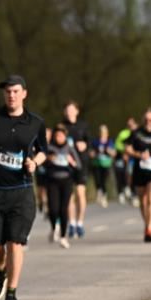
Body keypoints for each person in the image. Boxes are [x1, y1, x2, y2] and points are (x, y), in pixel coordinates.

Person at [0, 75, 47, 300]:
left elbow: (43, 151)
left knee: (15, 243)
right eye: (7, 92)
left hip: (21, 192)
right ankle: (2, 270)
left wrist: (35, 162)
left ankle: (12, 292)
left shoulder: (35, 122)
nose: (11, 95)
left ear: (24, 93)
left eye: (15, 91)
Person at [125, 108, 151, 242]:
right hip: (139, 170)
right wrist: (139, 154)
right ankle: (147, 224)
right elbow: (127, 148)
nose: (148, 122)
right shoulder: (136, 133)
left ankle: (150, 230)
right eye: (146, 120)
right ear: (143, 120)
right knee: (142, 201)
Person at [44, 124, 81, 249]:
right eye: (56, 136)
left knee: (63, 209)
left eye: (61, 136)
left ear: (65, 136)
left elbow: (79, 166)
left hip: (66, 181)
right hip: (52, 181)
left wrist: (72, 162)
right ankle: (54, 227)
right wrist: (49, 159)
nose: (59, 138)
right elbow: (41, 163)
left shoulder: (69, 148)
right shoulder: (49, 148)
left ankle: (63, 237)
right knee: (53, 209)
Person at [61, 101, 91, 239]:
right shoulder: (61, 126)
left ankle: (80, 223)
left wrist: (84, 145)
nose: (69, 113)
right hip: (66, 164)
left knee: (80, 192)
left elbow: (90, 142)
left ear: (77, 111)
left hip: (81, 163)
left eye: (72, 110)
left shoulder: (83, 125)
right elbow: (55, 143)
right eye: (67, 110)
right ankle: (72, 223)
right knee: (69, 195)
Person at [113, 116, 137, 205]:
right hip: (125, 158)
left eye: (132, 124)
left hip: (136, 158)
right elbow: (117, 144)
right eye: (129, 124)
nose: (131, 126)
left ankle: (133, 194)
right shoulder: (123, 133)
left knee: (134, 177)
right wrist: (124, 151)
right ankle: (126, 191)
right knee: (125, 175)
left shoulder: (138, 133)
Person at [90, 124, 115, 207]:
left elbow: (114, 153)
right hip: (97, 163)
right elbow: (91, 153)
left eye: (104, 132)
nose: (102, 133)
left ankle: (104, 196)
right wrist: (94, 153)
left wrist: (108, 151)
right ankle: (99, 193)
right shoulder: (95, 141)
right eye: (101, 132)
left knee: (103, 181)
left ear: (107, 133)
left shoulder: (109, 141)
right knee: (97, 180)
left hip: (106, 164)